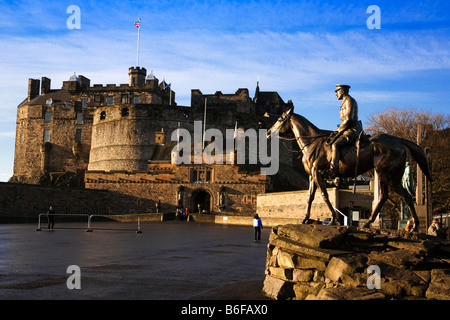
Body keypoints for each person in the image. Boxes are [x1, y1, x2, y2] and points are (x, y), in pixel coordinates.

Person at [325, 84, 363, 184]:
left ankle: (334, 171)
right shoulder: (344, 102)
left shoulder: (350, 101)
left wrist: (338, 130)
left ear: (342, 91)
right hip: (346, 128)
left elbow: (348, 119)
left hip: (353, 129)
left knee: (335, 144)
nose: (336, 94)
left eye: (337, 91)